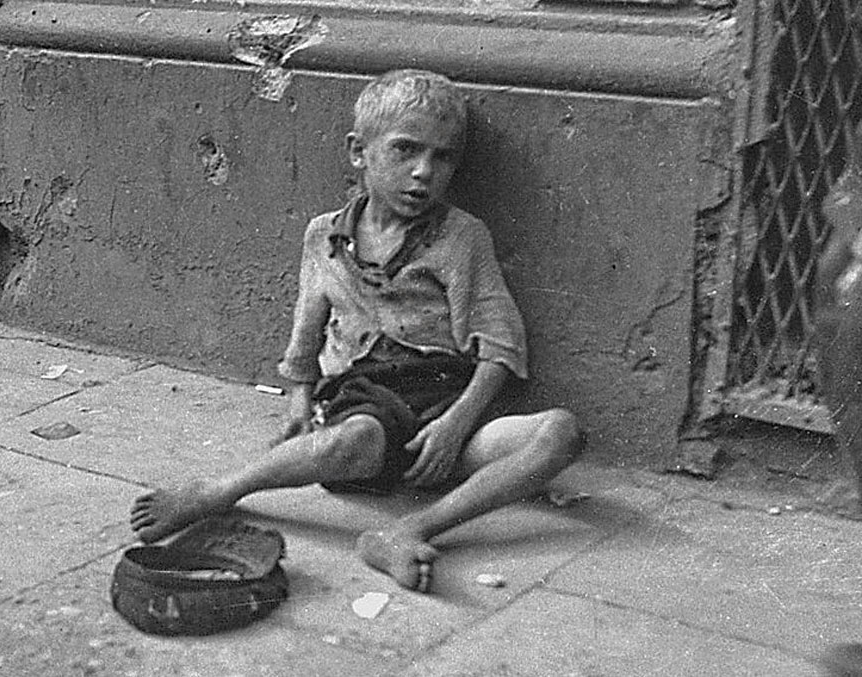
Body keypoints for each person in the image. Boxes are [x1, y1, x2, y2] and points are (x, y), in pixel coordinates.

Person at [131, 69, 584, 592]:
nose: (423, 173)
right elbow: (305, 338)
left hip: (446, 410)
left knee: (560, 433)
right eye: (405, 151)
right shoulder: (324, 237)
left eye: (443, 157)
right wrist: (299, 403)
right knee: (354, 439)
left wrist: (457, 424)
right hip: (370, 401)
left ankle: (408, 529)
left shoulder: (462, 237)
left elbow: (501, 346)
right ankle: (219, 491)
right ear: (358, 152)